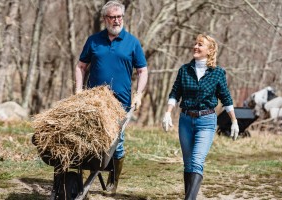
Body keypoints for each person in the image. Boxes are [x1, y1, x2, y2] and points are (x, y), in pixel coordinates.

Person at [75, 0, 148, 195]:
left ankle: (113, 179)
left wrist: (139, 95)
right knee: (88, 138)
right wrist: (79, 90)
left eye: (119, 17)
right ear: (105, 19)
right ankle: (80, 179)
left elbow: (143, 70)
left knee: (118, 142)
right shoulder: (94, 40)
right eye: (112, 17)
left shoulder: (132, 42)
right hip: (94, 102)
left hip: (120, 102)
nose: (116, 21)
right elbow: (81, 66)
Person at [162, 34, 239, 200]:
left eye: (200, 44)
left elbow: (226, 98)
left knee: (197, 161)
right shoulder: (184, 70)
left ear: (210, 50)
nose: (195, 47)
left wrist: (234, 121)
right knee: (188, 163)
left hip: (206, 121)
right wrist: (168, 112)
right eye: (195, 44)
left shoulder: (218, 73)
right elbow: (175, 93)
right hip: (185, 121)